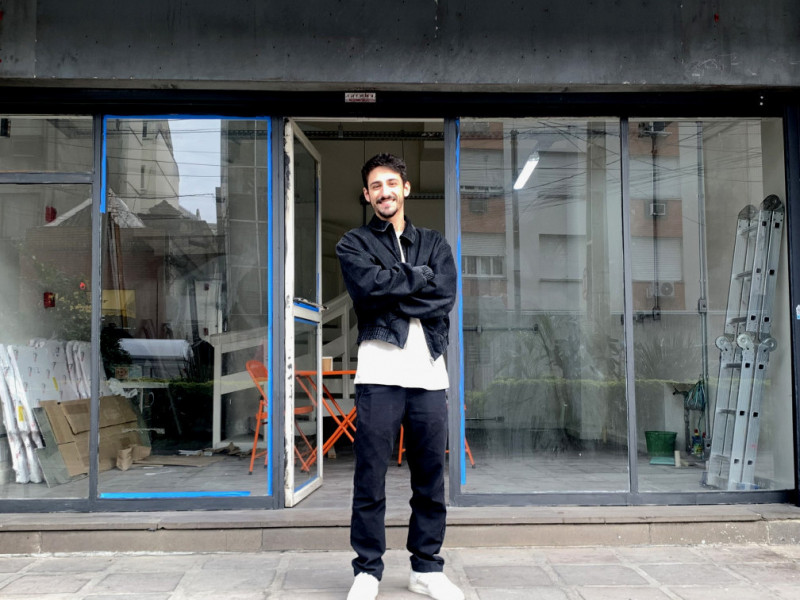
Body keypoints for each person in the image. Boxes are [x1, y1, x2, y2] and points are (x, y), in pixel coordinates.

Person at [336, 154, 464, 600]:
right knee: (370, 475)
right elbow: (367, 292)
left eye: (392, 183)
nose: (385, 191)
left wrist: (396, 286)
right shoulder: (353, 244)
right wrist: (415, 280)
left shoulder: (435, 243)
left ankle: (426, 568)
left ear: (405, 188)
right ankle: (368, 570)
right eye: (376, 185)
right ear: (367, 195)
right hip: (379, 374)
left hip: (429, 373)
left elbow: (443, 297)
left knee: (430, 475)